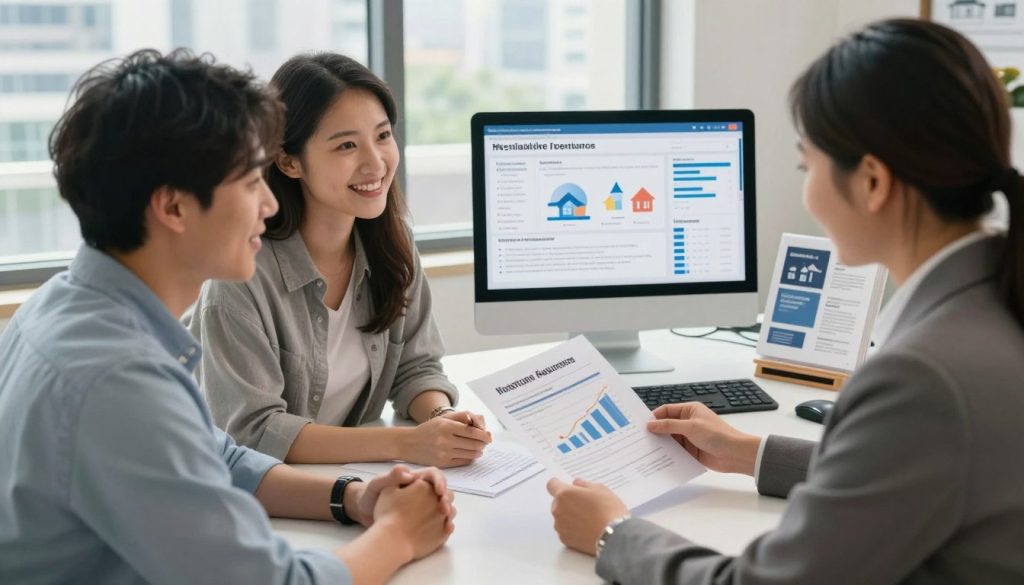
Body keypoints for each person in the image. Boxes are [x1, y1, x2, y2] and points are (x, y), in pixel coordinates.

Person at [546, 18, 1024, 584]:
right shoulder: (992, 305)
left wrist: (611, 534)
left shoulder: (922, 374)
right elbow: (919, 470)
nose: (806, 187)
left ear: (872, 181)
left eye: (807, 164)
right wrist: (750, 452)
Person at [0, 49, 455, 585]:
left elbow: (222, 458)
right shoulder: (117, 378)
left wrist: (354, 498)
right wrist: (399, 534)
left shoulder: (70, 306)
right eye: (247, 182)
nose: (268, 203)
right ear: (173, 208)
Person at [185, 52, 491, 467]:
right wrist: (408, 445)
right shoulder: (239, 278)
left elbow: (415, 368)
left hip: (342, 481)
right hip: (242, 494)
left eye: (382, 136)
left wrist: (443, 418)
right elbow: (253, 433)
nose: (376, 163)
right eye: (347, 144)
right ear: (289, 161)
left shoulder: (392, 246)